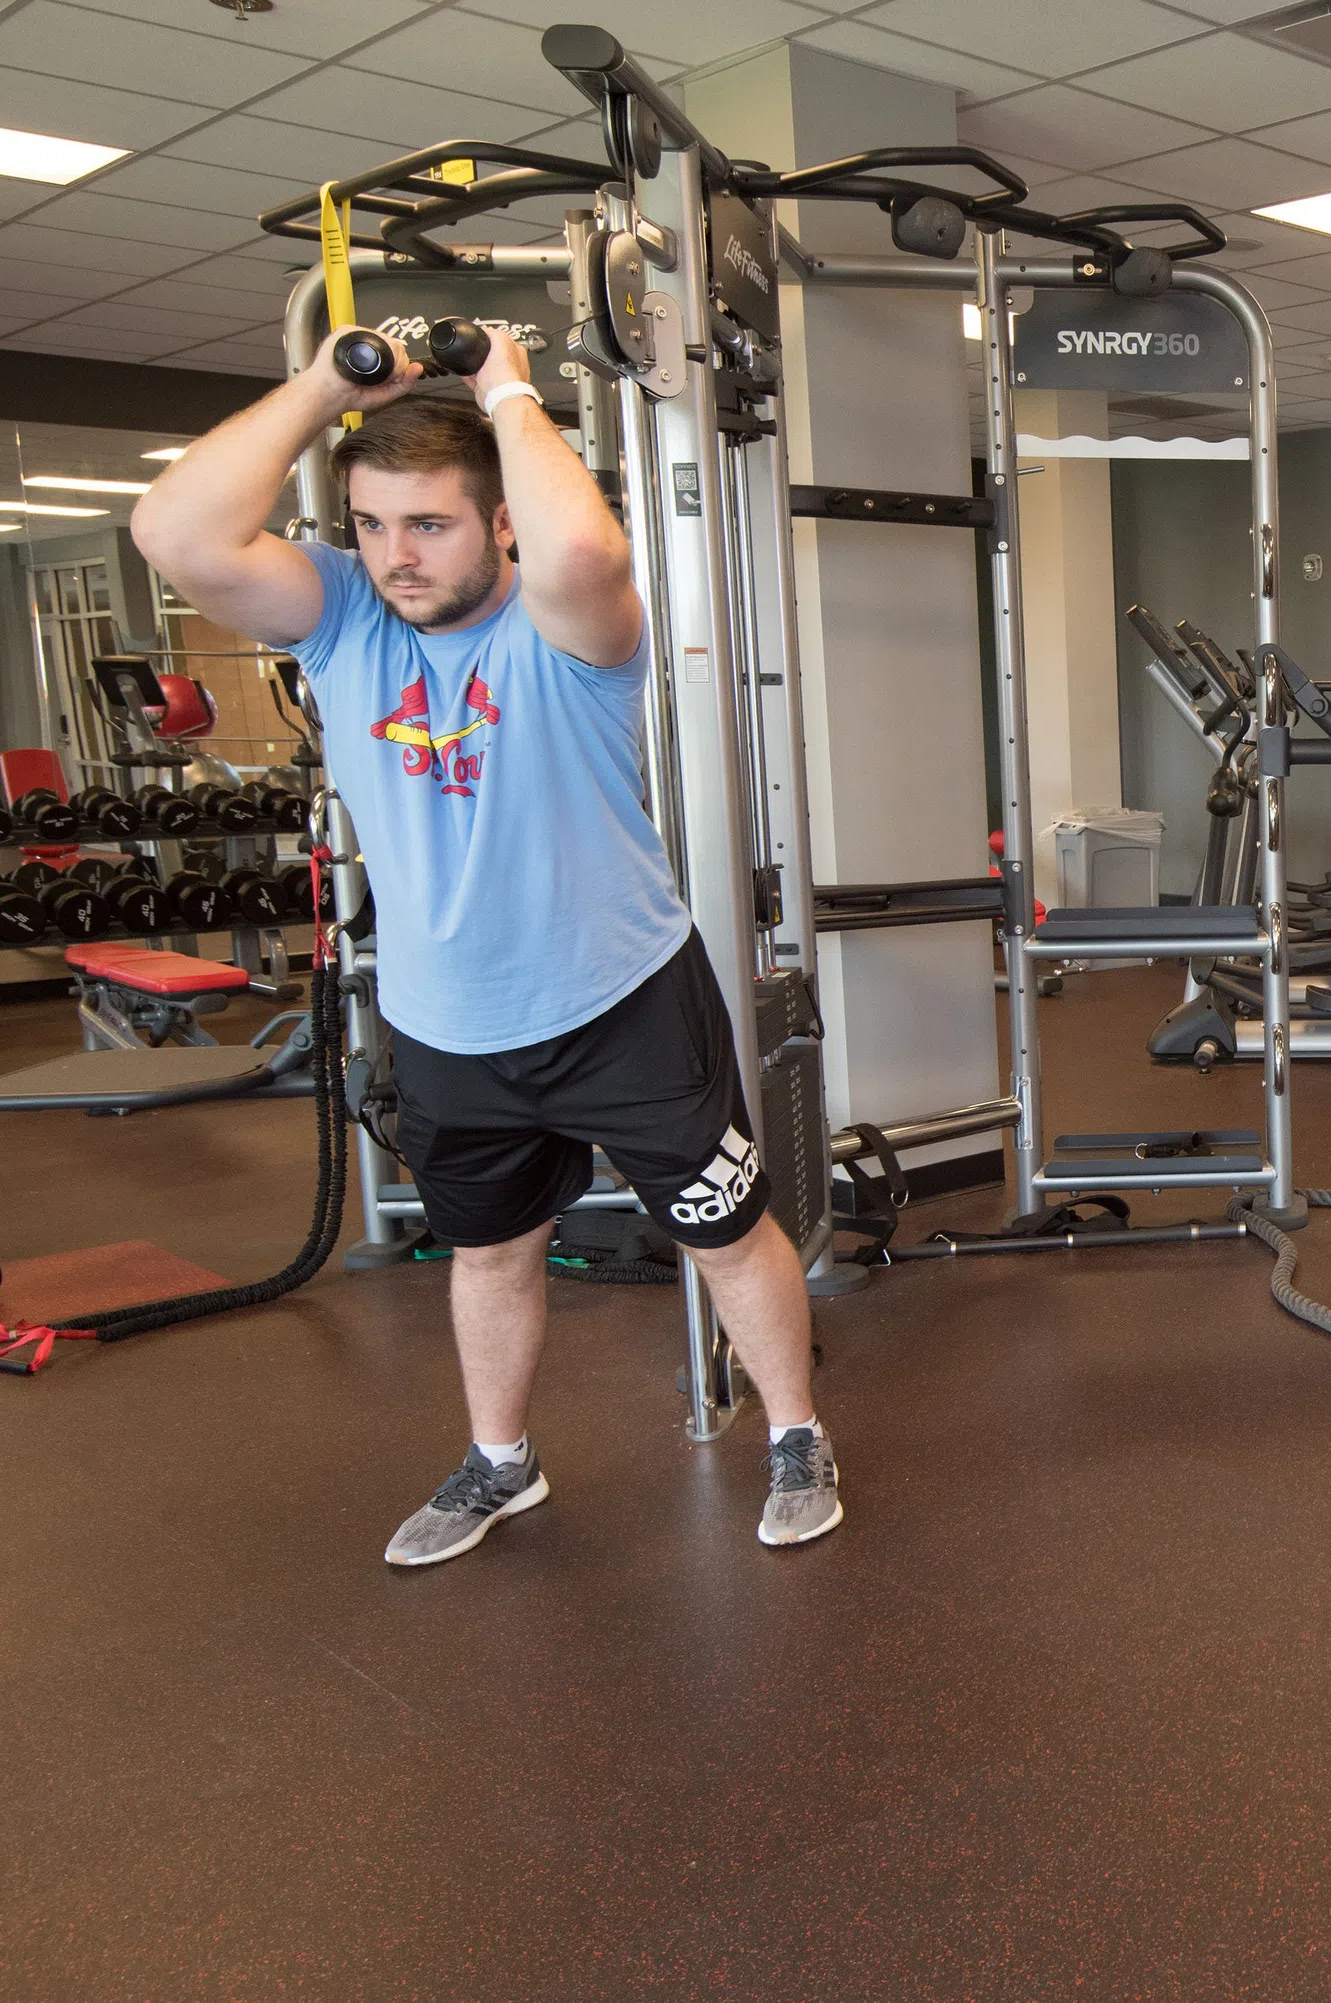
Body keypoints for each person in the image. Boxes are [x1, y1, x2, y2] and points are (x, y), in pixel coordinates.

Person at [130, 327, 842, 1563]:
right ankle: (501, 1461)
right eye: (371, 524)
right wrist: (330, 388)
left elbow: (584, 543)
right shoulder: (342, 618)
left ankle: (794, 1432)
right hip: (447, 1017)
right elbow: (177, 535)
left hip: (621, 992)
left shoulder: (572, 630)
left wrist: (506, 385)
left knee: (724, 1229)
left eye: (431, 524)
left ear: (499, 521)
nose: (396, 556)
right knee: (491, 1248)